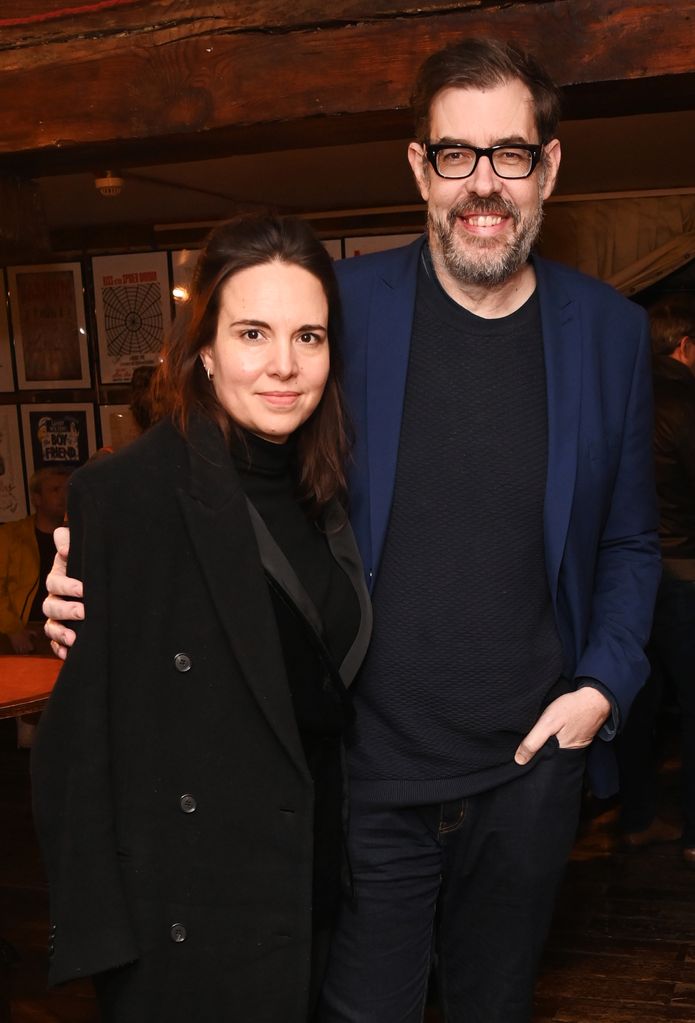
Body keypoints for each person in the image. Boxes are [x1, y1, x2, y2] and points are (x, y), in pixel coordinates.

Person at [44, 38, 661, 1023]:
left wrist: (600, 686)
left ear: (548, 166)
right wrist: (98, 568)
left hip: (529, 775)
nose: (482, 184)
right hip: (366, 773)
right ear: (417, 168)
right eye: (453, 155)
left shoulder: (610, 334)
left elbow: (627, 542)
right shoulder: (342, 308)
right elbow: (227, 460)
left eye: (509, 152)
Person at [31, 214, 371, 1023]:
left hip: (311, 887)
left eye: (309, 336)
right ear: (206, 350)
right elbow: (75, 748)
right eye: (253, 332)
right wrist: (107, 945)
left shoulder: (329, 488)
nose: (284, 365)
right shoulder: (126, 495)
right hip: (189, 921)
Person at [618, 294, 695, 863]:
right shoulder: (687, 403)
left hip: (630, 574)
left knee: (636, 704)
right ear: (686, 345)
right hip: (686, 574)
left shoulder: (625, 396)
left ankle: (637, 816)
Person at [0, 467, 70, 655]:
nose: (64, 496)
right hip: (28, 631)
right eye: (55, 490)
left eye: (68, 490)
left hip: (69, 629)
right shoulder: (11, 536)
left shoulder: (78, 535)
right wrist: (12, 630)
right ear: (37, 499)